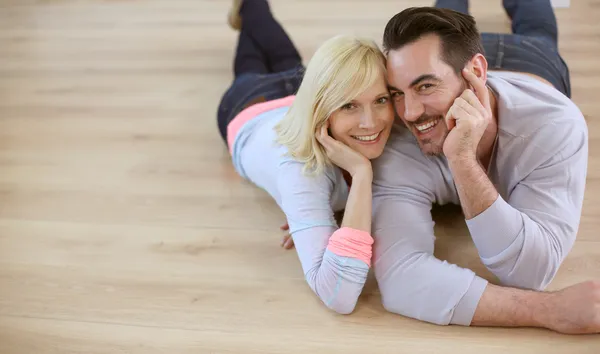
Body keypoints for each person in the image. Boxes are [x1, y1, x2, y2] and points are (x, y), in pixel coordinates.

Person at [371, 0, 600, 334]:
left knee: (539, 31)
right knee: (449, 12)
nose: (409, 113)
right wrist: (547, 310)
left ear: (476, 73)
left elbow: (530, 272)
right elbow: (400, 278)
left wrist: (462, 159)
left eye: (424, 86)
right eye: (397, 93)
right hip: (455, 59)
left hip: (533, 62)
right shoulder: (400, 141)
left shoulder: (554, 125)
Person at [218, 0, 395, 314]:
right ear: (325, 109)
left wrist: (319, 217)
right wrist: (361, 174)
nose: (371, 122)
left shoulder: (385, 124)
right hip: (249, 105)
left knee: (283, 57)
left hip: (301, 89)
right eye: (349, 105)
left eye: (380, 99)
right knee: (250, 63)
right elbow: (338, 295)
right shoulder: (301, 170)